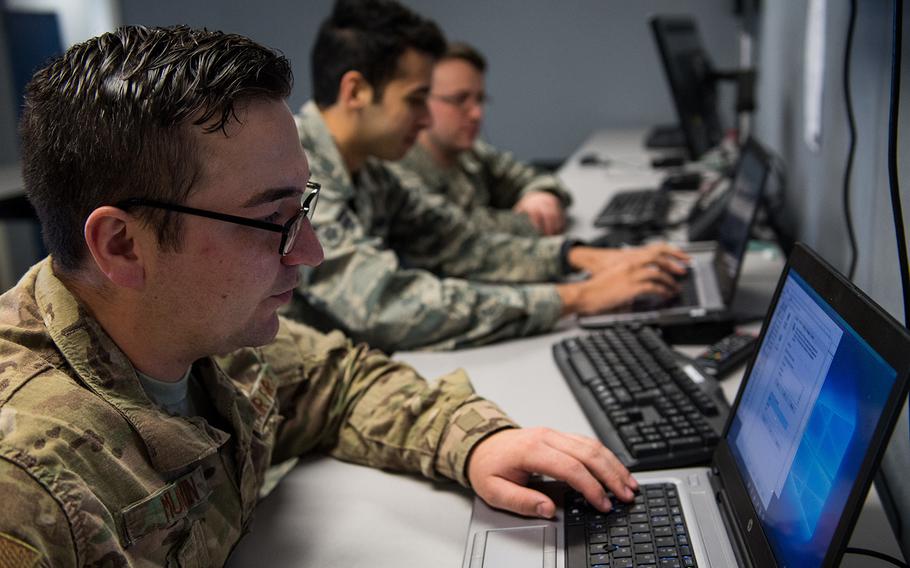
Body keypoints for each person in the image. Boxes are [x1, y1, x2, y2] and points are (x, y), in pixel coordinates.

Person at [0, 25, 640, 567]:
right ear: (122, 247)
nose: (310, 251)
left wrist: (474, 441)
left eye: (302, 206)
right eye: (273, 218)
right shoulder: (28, 488)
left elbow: (339, 378)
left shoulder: (198, 332)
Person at [291, 0, 689, 352]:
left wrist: (580, 257)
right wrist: (576, 297)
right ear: (356, 91)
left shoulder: (370, 168)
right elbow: (386, 305)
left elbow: (464, 245)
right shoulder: (293, 172)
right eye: (416, 100)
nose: (428, 118)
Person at [390, 41, 570, 237]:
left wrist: (541, 195)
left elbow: (530, 176)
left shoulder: (471, 153)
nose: (477, 113)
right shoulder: (398, 171)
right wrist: (533, 220)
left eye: (480, 99)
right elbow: (462, 234)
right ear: (421, 100)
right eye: (459, 99)